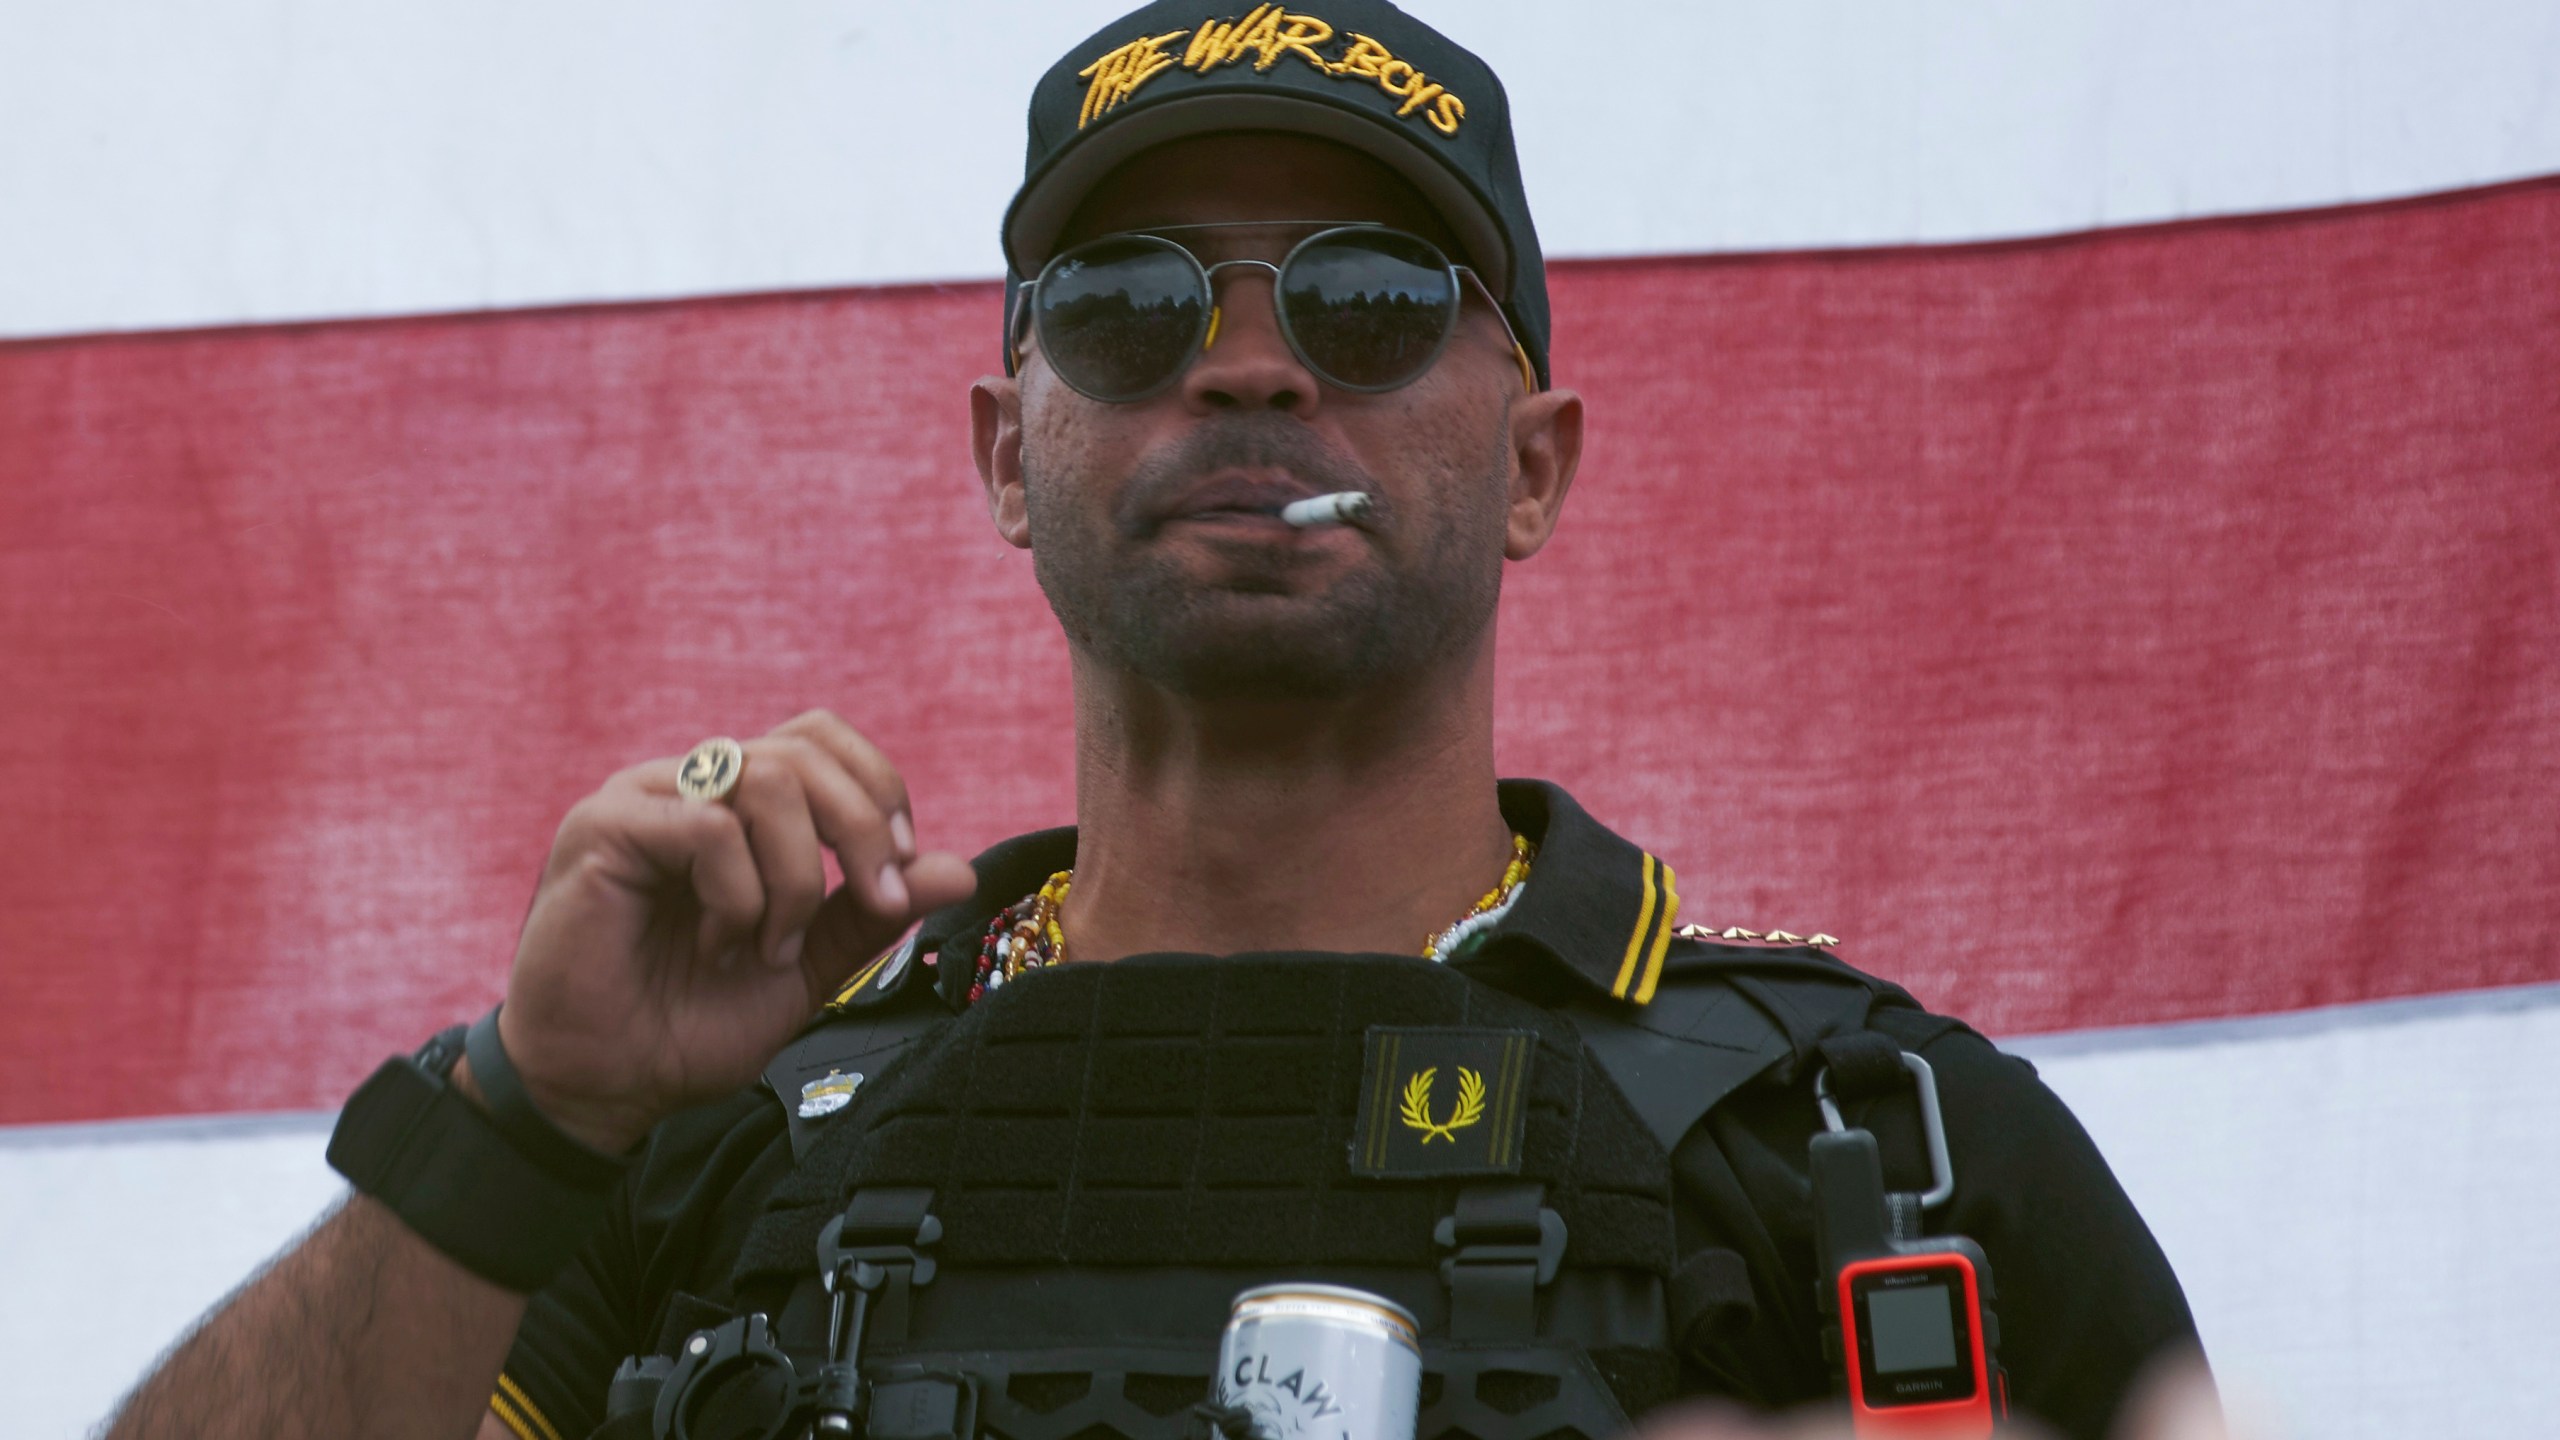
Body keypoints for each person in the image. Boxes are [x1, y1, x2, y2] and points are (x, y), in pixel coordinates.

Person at [103, 5, 2201, 1440]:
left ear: (1539, 463)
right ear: (1007, 457)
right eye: (1129, 302)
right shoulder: (709, 1154)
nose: (1250, 368)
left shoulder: (1866, 1142)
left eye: (1370, 298)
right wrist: (528, 1118)